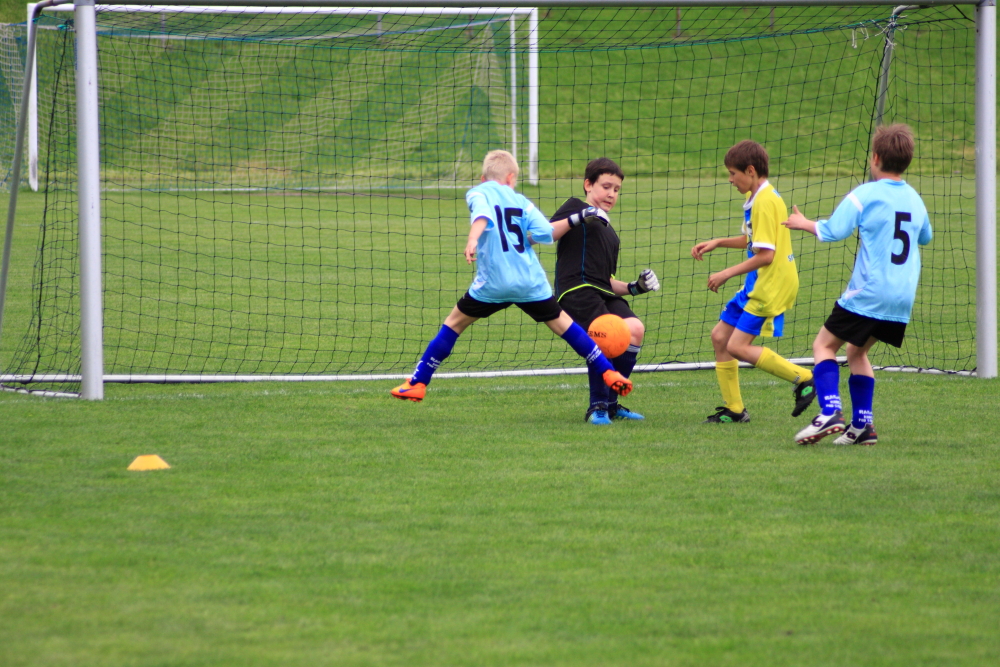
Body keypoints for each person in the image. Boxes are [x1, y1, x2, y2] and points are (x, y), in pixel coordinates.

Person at [391, 150, 633, 404]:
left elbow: (482, 215)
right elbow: (545, 233)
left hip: (494, 282)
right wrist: (577, 218)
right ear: (511, 178)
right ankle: (608, 371)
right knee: (566, 327)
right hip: (530, 281)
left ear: (483, 178)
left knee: (453, 325)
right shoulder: (521, 201)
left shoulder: (478, 192)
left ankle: (418, 383)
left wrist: (473, 239)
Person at [783, 124, 931, 446]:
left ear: (875, 157)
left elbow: (834, 231)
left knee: (824, 346)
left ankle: (830, 411)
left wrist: (802, 222)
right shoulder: (915, 199)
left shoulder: (865, 194)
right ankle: (863, 425)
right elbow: (925, 236)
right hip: (901, 299)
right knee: (857, 351)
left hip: (870, 292)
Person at [691, 140, 816, 423]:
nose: (730, 179)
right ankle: (735, 410)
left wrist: (725, 273)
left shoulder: (764, 202)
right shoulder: (760, 196)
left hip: (770, 284)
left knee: (737, 346)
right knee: (720, 337)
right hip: (758, 281)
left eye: (733, 173)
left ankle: (805, 378)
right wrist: (718, 242)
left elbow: (766, 255)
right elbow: (754, 240)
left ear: (750, 170)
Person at [548, 157, 660, 425]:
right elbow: (544, 233)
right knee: (606, 332)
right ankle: (596, 407)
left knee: (635, 329)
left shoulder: (610, 233)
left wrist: (635, 287)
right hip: (576, 289)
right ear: (588, 184)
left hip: (601, 291)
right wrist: (578, 217)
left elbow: (607, 281)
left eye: (617, 189)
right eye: (606, 186)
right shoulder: (576, 207)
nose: (612, 194)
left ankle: (611, 404)